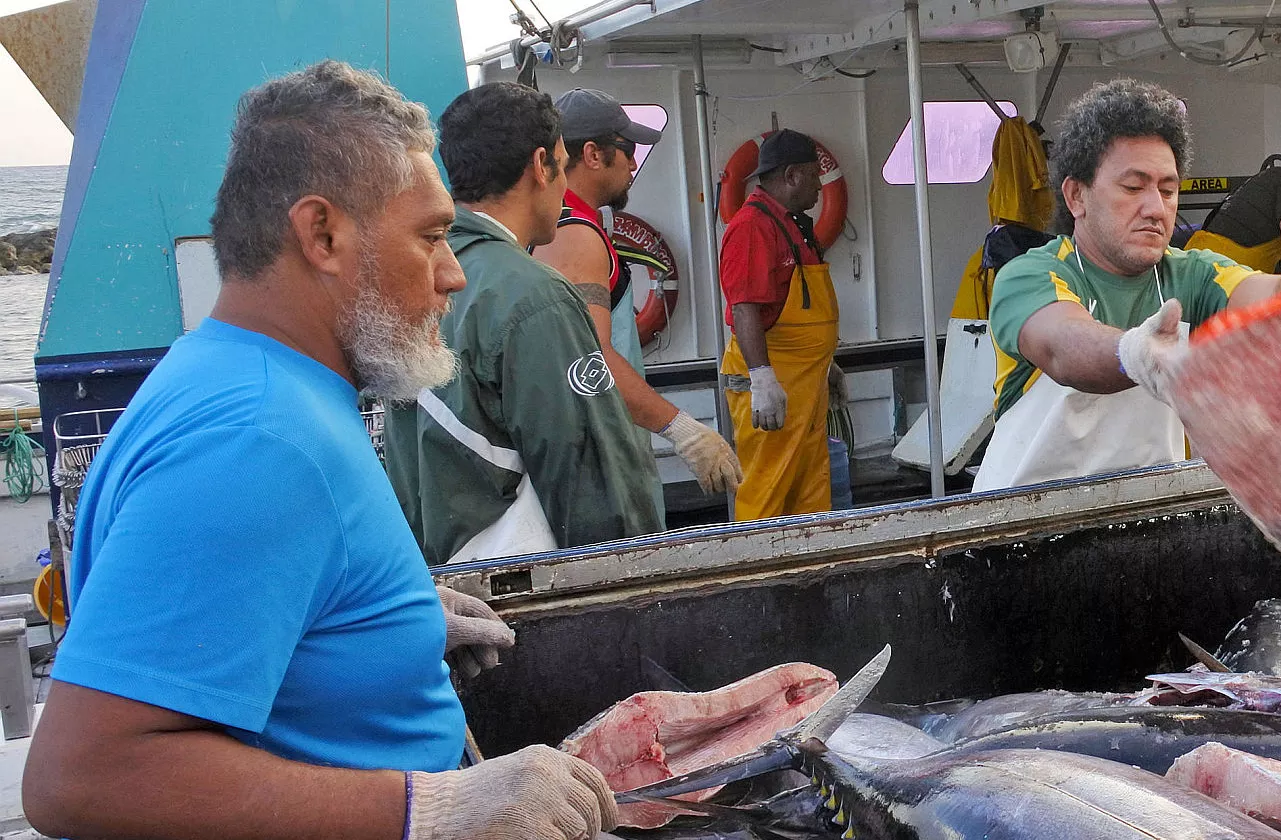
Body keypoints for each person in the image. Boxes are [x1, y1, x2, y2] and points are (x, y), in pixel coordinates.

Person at [22, 61, 618, 840]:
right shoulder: (257, 440)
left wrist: (365, 619)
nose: (452, 275)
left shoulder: (240, 374)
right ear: (323, 234)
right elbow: (81, 777)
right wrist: (431, 809)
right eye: (431, 236)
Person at [976, 79, 1281, 491]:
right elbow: (1063, 347)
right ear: (1077, 196)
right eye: (1133, 187)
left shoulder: (1189, 274)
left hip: (1145, 516)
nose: (1155, 208)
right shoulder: (1031, 275)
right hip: (1020, 528)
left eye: (1168, 191)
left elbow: (1264, 296)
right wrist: (1134, 354)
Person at [383, 82, 665, 564]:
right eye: (560, 165)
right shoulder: (535, 296)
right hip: (529, 590)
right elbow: (591, 478)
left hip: (440, 580)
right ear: (541, 165)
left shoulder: (419, 278)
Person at [534, 88, 742, 500]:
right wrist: (682, 430)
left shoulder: (562, 224)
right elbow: (591, 355)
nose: (633, 164)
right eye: (626, 150)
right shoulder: (574, 234)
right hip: (598, 458)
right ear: (592, 154)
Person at [718, 128, 843, 521]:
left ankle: (810, 573)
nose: (821, 188)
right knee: (766, 488)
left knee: (809, 488)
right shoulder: (752, 226)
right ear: (791, 176)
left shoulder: (790, 224)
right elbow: (745, 308)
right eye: (813, 176)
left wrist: (828, 365)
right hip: (775, 389)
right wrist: (762, 380)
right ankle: (757, 578)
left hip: (805, 386)